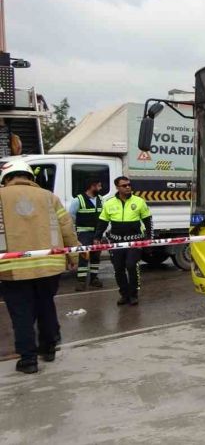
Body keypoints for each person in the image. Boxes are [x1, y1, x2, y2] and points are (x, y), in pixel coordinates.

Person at [0, 160, 79, 374]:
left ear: (6, 178)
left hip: (12, 268)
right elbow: (67, 228)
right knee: (46, 305)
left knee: (22, 313)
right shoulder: (49, 197)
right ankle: (49, 348)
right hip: (49, 265)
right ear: (29, 177)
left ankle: (28, 360)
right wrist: (74, 255)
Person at [94, 176, 152, 306]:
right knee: (118, 269)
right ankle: (124, 294)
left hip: (134, 242)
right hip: (116, 242)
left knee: (131, 266)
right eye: (124, 185)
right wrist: (97, 237)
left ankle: (133, 295)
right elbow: (102, 222)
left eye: (129, 185)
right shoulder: (109, 203)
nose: (127, 187)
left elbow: (148, 221)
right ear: (117, 187)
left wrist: (149, 238)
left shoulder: (139, 201)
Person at [69, 177, 104, 291]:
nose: (100, 188)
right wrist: (74, 233)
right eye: (98, 185)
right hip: (84, 233)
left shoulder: (101, 199)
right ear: (92, 186)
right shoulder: (78, 200)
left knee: (96, 257)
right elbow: (71, 217)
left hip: (97, 234)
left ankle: (94, 279)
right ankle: (81, 281)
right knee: (84, 256)